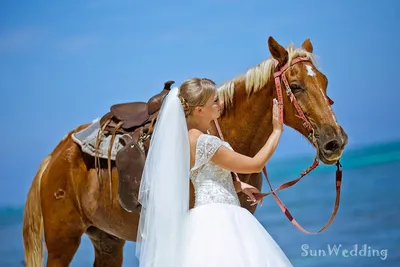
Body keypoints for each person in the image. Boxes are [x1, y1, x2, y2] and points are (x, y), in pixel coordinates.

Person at [135, 78, 293, 267]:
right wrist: (276, 131)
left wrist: (238, 185)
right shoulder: (205, 142)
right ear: (199, 110)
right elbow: (255, 165)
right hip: (220, 219)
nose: (221, 104)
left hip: (204, 218)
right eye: (215, 101)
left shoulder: (188, 138)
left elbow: (203, 176)